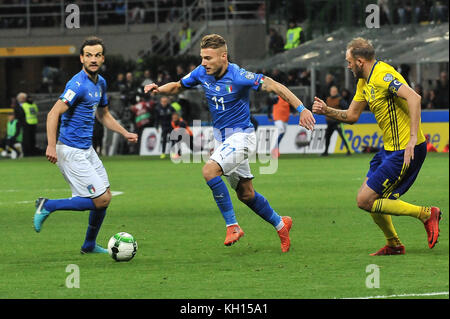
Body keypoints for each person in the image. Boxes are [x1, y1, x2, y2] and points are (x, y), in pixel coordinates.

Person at [144, 34, 315, 252]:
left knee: (209, 171)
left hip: (242, 137)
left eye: (208, 58)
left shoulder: (239, 76)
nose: (204, 63)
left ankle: (232, 226)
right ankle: (281, 224)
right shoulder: (201, 72)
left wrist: (301, 109)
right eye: (202, 58)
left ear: (223, 57)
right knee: (246, 194)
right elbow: (178, 86)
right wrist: (159, 88)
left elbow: (273, 85)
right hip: (223, 140)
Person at [312, 37, 442, 256]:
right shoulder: (364, 81)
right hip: (389, 150)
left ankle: (427, 214)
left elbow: (414, 97)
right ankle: (394, 244)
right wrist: (327, 111)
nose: (348, 65)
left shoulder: (383, 75)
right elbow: (352, 115)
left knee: (365, 199)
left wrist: (412, 139)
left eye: (349, 61)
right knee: (369, 196)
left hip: (406, 149)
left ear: (360, 61)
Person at [33, 36, 138, 254]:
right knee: (99, 200)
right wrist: (51, 146)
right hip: (70, 151)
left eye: (97, 55)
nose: (93, 59)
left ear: (102, 58)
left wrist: (124, 132)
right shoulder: (77, 84)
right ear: (81, 58)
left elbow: (103, 114)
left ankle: (89, 245)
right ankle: (48, 205)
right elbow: (53, 113)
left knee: (105, 197)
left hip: (86, 150)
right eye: (88, 55)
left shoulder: (101, 83)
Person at [321, 86, 352, 156]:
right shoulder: (328, 99)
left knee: (342, 136)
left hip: (337, 122)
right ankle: (326, 151)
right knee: (327, 137)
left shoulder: (340, 99)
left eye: (334, 91)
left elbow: (346, 108)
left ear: (336, 92)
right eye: (332, 91)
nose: (333, 92)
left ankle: (349, 150)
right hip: (329, 122)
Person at [268, 94, 295, 158]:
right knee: (282, 131)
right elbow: (269, 106)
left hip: (285, 119)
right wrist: (269, 116)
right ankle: (274, 149)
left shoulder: (287, 99)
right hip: (278, 118)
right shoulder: (276, 98)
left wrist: (293, 112)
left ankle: (275, 148)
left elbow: (291, 106)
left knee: (282, 133)